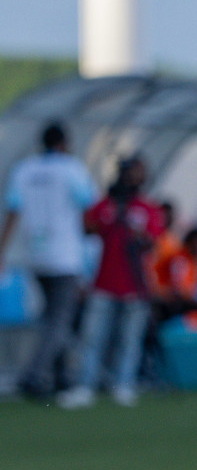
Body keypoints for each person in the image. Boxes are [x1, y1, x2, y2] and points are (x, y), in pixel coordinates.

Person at [0, 123, 97, 399]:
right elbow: (90, 208)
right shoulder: (71, 169)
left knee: (51, 317)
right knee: (60, 320)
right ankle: (34, 374)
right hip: (64, 255)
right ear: (64, 143)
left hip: (34, 253)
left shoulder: (24, 169)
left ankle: (62, 378)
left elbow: (12, 212)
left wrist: (2, 251)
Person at [59, 155, 164, 408]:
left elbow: (152, 243)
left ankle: (123, 384)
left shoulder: (147, 209)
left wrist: (135, 232)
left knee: (129, 339)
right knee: (93, 336)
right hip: (104, 283)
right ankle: (85, 385)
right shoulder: (107, 204)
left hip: (135, 285)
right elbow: (87, 227)